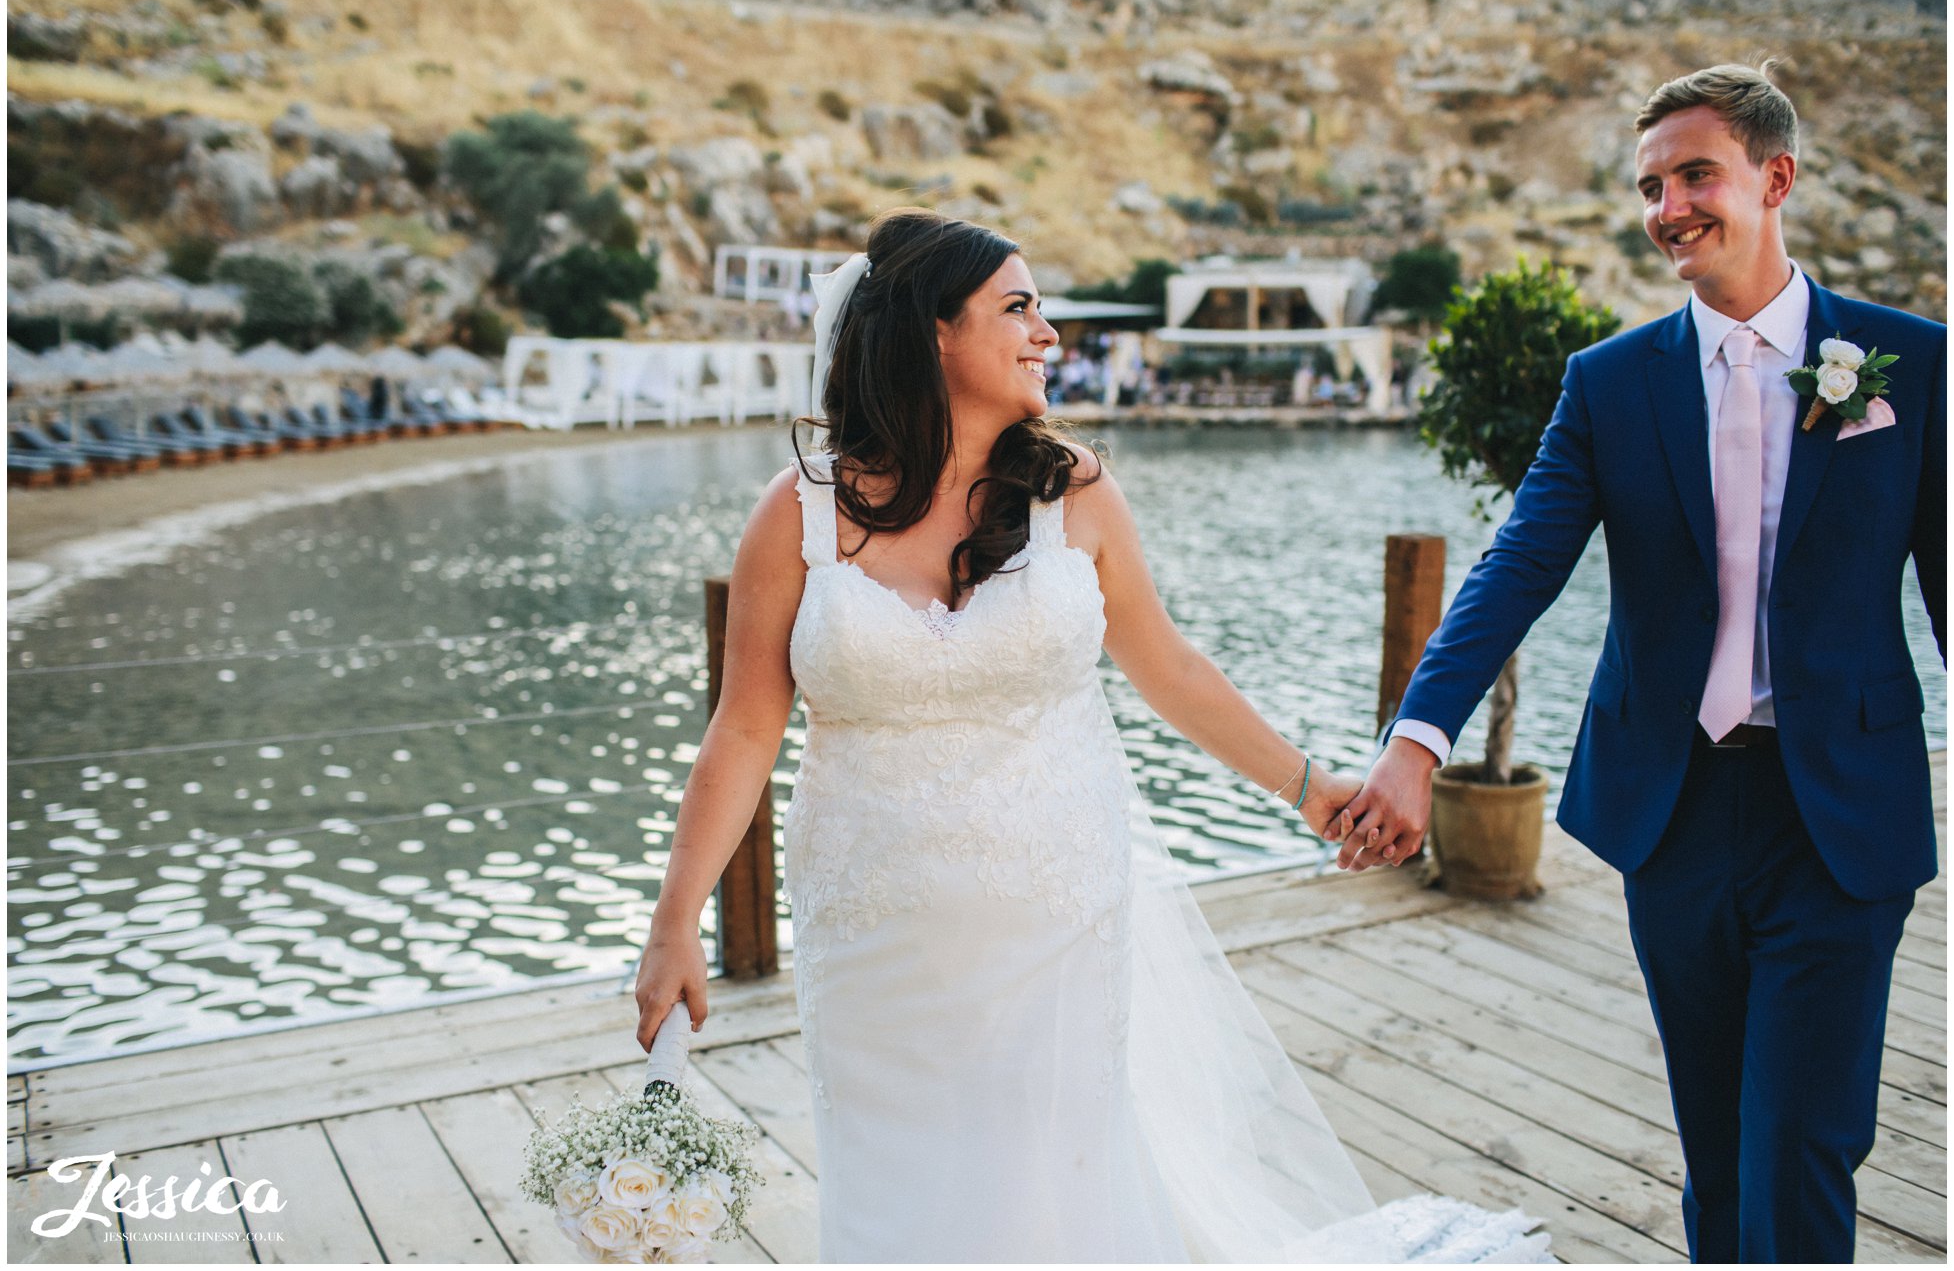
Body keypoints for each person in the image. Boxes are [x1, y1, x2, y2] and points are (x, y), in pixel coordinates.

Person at [631, 208, 1546, 1262]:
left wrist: (1308, 786)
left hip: (1056, 908)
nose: (1048, 335)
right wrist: (674, 922)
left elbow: (1170, 670)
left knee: (1056, 1189)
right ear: (933, 329)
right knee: (898, 1195)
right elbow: (742, 729)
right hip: (874, 927)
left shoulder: (1076, 493)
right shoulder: (797, 513)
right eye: (1017, 307)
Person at [1340, 63, 1945, 1263]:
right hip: (1673, 811)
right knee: (1717, 1154)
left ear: (1774, 180)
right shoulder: (1607, 384)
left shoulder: (1910, 363)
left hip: (1842, 811)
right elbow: (1517, 565)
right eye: (1650, 185)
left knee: (1803, 1143)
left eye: (1694, 176)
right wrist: (1416, 740)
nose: (1668, 206)